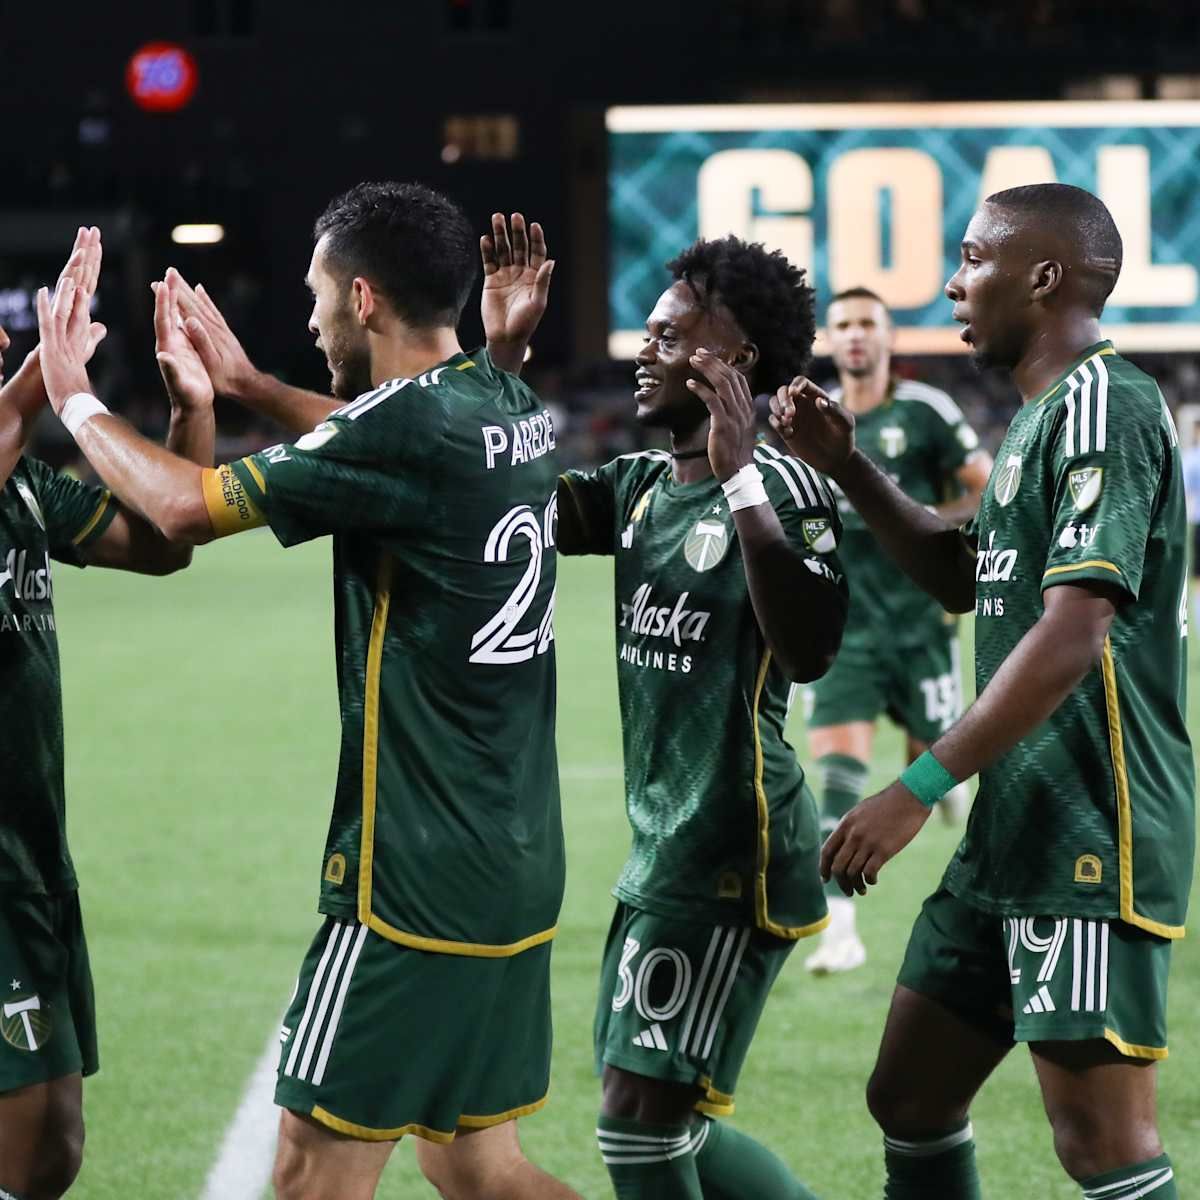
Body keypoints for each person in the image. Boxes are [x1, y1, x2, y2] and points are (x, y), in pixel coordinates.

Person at [35, 187, 580, 1200]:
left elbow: (180, 508)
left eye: (317, 296)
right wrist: (242, 383)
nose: (312, 316)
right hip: (517, 860)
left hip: (409, 881)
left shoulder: (413, 428)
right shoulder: (506, 405)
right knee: (479, 1166)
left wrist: (76, 395)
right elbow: (379, 440)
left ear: (363, 299)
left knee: (307, 1174)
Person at [771, 183, 1192, 1200]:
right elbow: (969, 576)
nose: (953, 282)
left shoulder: (1105, 403)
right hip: (1015, 827)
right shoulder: (1038, 417)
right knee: (910, 1097)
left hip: (1092, 829)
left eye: (972, 258)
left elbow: (1076, 630)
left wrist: (915, 783)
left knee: (1103, 1142)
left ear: (1043, 277)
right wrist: (853, 470)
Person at [485, 216, 849, 1199]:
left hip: (730, 844)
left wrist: (738, 478)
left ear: (733, 359)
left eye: (669, 335)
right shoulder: (642, 488)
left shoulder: (788, 489)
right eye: (648, 333)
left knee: (636, 1126)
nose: (645, 352)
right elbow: (494, 500)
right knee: (661, 1124)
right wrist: (504, 358)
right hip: (663, 847)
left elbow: (811, 647)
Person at [0, 228, 214, 1199]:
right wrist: (50, 381)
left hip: (33, 860)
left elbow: (164, 544)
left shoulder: (26, 497)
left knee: (51, 1147)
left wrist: (192, 409)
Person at [803, 288, 992, 976]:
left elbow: (985, 485)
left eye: (868, 326)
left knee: (929, 758)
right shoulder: (812, 418)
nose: (856, 336)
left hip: (920, 624)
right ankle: (840, 929)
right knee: (839, 766)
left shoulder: (926, 412)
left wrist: (915, 519)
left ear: (888, 340)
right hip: (847, 628)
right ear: (832, 339)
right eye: (845, 325)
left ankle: (950, 788)